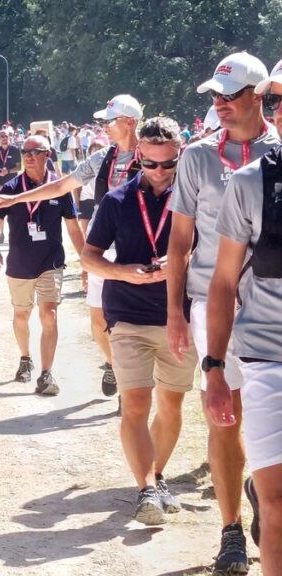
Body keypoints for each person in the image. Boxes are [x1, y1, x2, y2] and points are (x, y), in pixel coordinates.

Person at [166, 52, 279, 575]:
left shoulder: (277, 154)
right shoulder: (195, 157)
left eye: (229, 96)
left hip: (264, 312)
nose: (219, 105)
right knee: (222, 419)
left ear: (260, 96)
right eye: (214, 96)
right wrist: (172, 309)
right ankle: (231, 530)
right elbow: (180, 240)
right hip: (210, 304)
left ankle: (264, 487)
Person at [0, 95, 145, 398]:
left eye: (110, 121)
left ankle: (131, 387)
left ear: (130, 122)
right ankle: (114, 366)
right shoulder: (102, 158)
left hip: (141, 246)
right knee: (97, 322)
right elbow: (61, 185)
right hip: (107, 248)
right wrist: (16, 199)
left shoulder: (153, 154)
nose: (104, 128)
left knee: (133, 321)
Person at [81, 117, 194, 526]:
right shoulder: (117, 200)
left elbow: (219, 248)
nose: (161, 173)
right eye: (152, 164)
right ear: (138, 159)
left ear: (180, 158)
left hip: (179, 316)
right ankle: (146, 487)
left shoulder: (194, 198)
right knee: (135, 403)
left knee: (172, 402)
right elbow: (89, 257)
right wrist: (124, 271)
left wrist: (182, 261)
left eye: (169, 164)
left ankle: (158, 476)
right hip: (127, 314)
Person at [205, 66, 282, 571]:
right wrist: (214, 368)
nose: (279, 110)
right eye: (276, 101)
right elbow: (223, 282)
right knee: (277, 505)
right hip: (267, 363)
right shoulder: (251, 182)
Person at [0, 135, 84, 395]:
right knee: (21, 315)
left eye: (34, 151)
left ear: (47, 154)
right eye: (24, 151)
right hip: (19, 262)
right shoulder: (12, 187)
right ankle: (25, 358)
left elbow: (73, 229)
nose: (28, 156)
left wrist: (87, 260)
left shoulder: (59, 189)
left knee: (49, 313)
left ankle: (46, 374)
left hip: (51, 261)